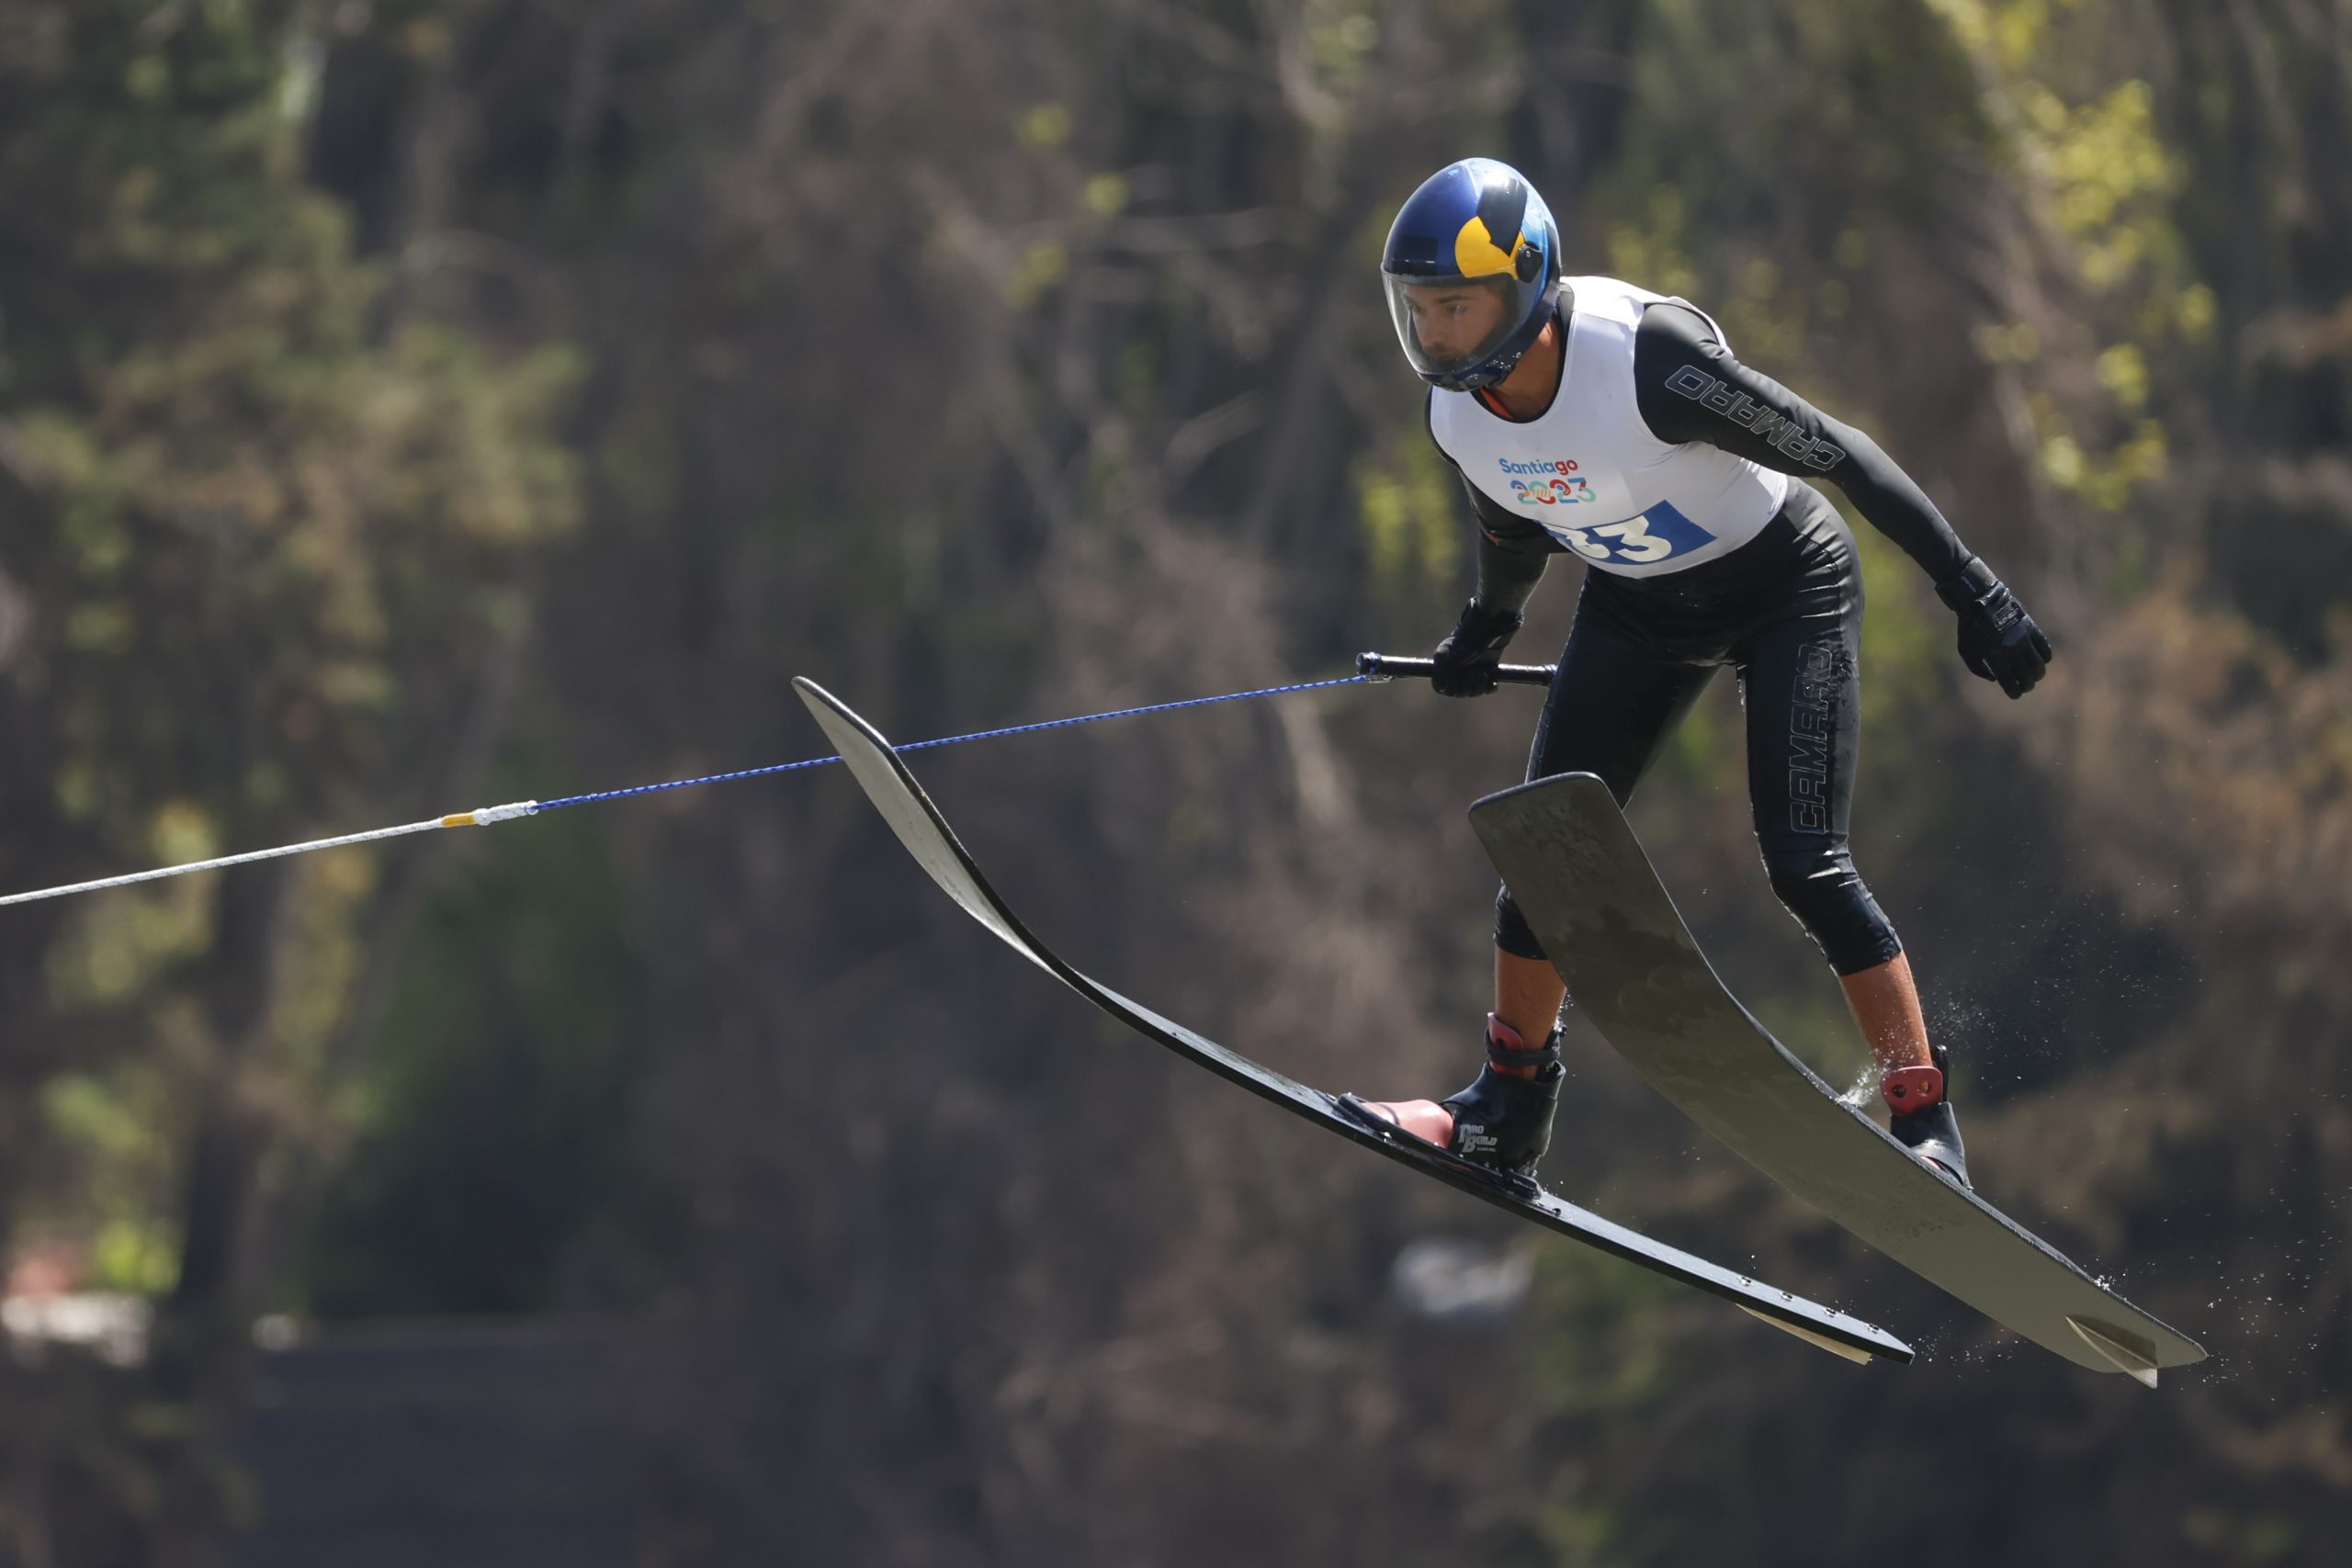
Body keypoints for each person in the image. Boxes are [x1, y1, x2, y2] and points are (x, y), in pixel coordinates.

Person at [1340, 158, 2051, 1190]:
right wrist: (1484, 629)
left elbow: (1840, 454)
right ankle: (1505, 1112)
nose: (1436, 333)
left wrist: (1971, 587)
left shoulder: (1649, 360)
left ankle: (1923, 1116)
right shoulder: (1457, 418)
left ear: (1527, 280)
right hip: (1639, 608)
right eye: (1419, 310)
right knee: (1542, 854)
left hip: (1786, 588)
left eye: (1457, 306)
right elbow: (1513, 530)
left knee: (1805, 865)